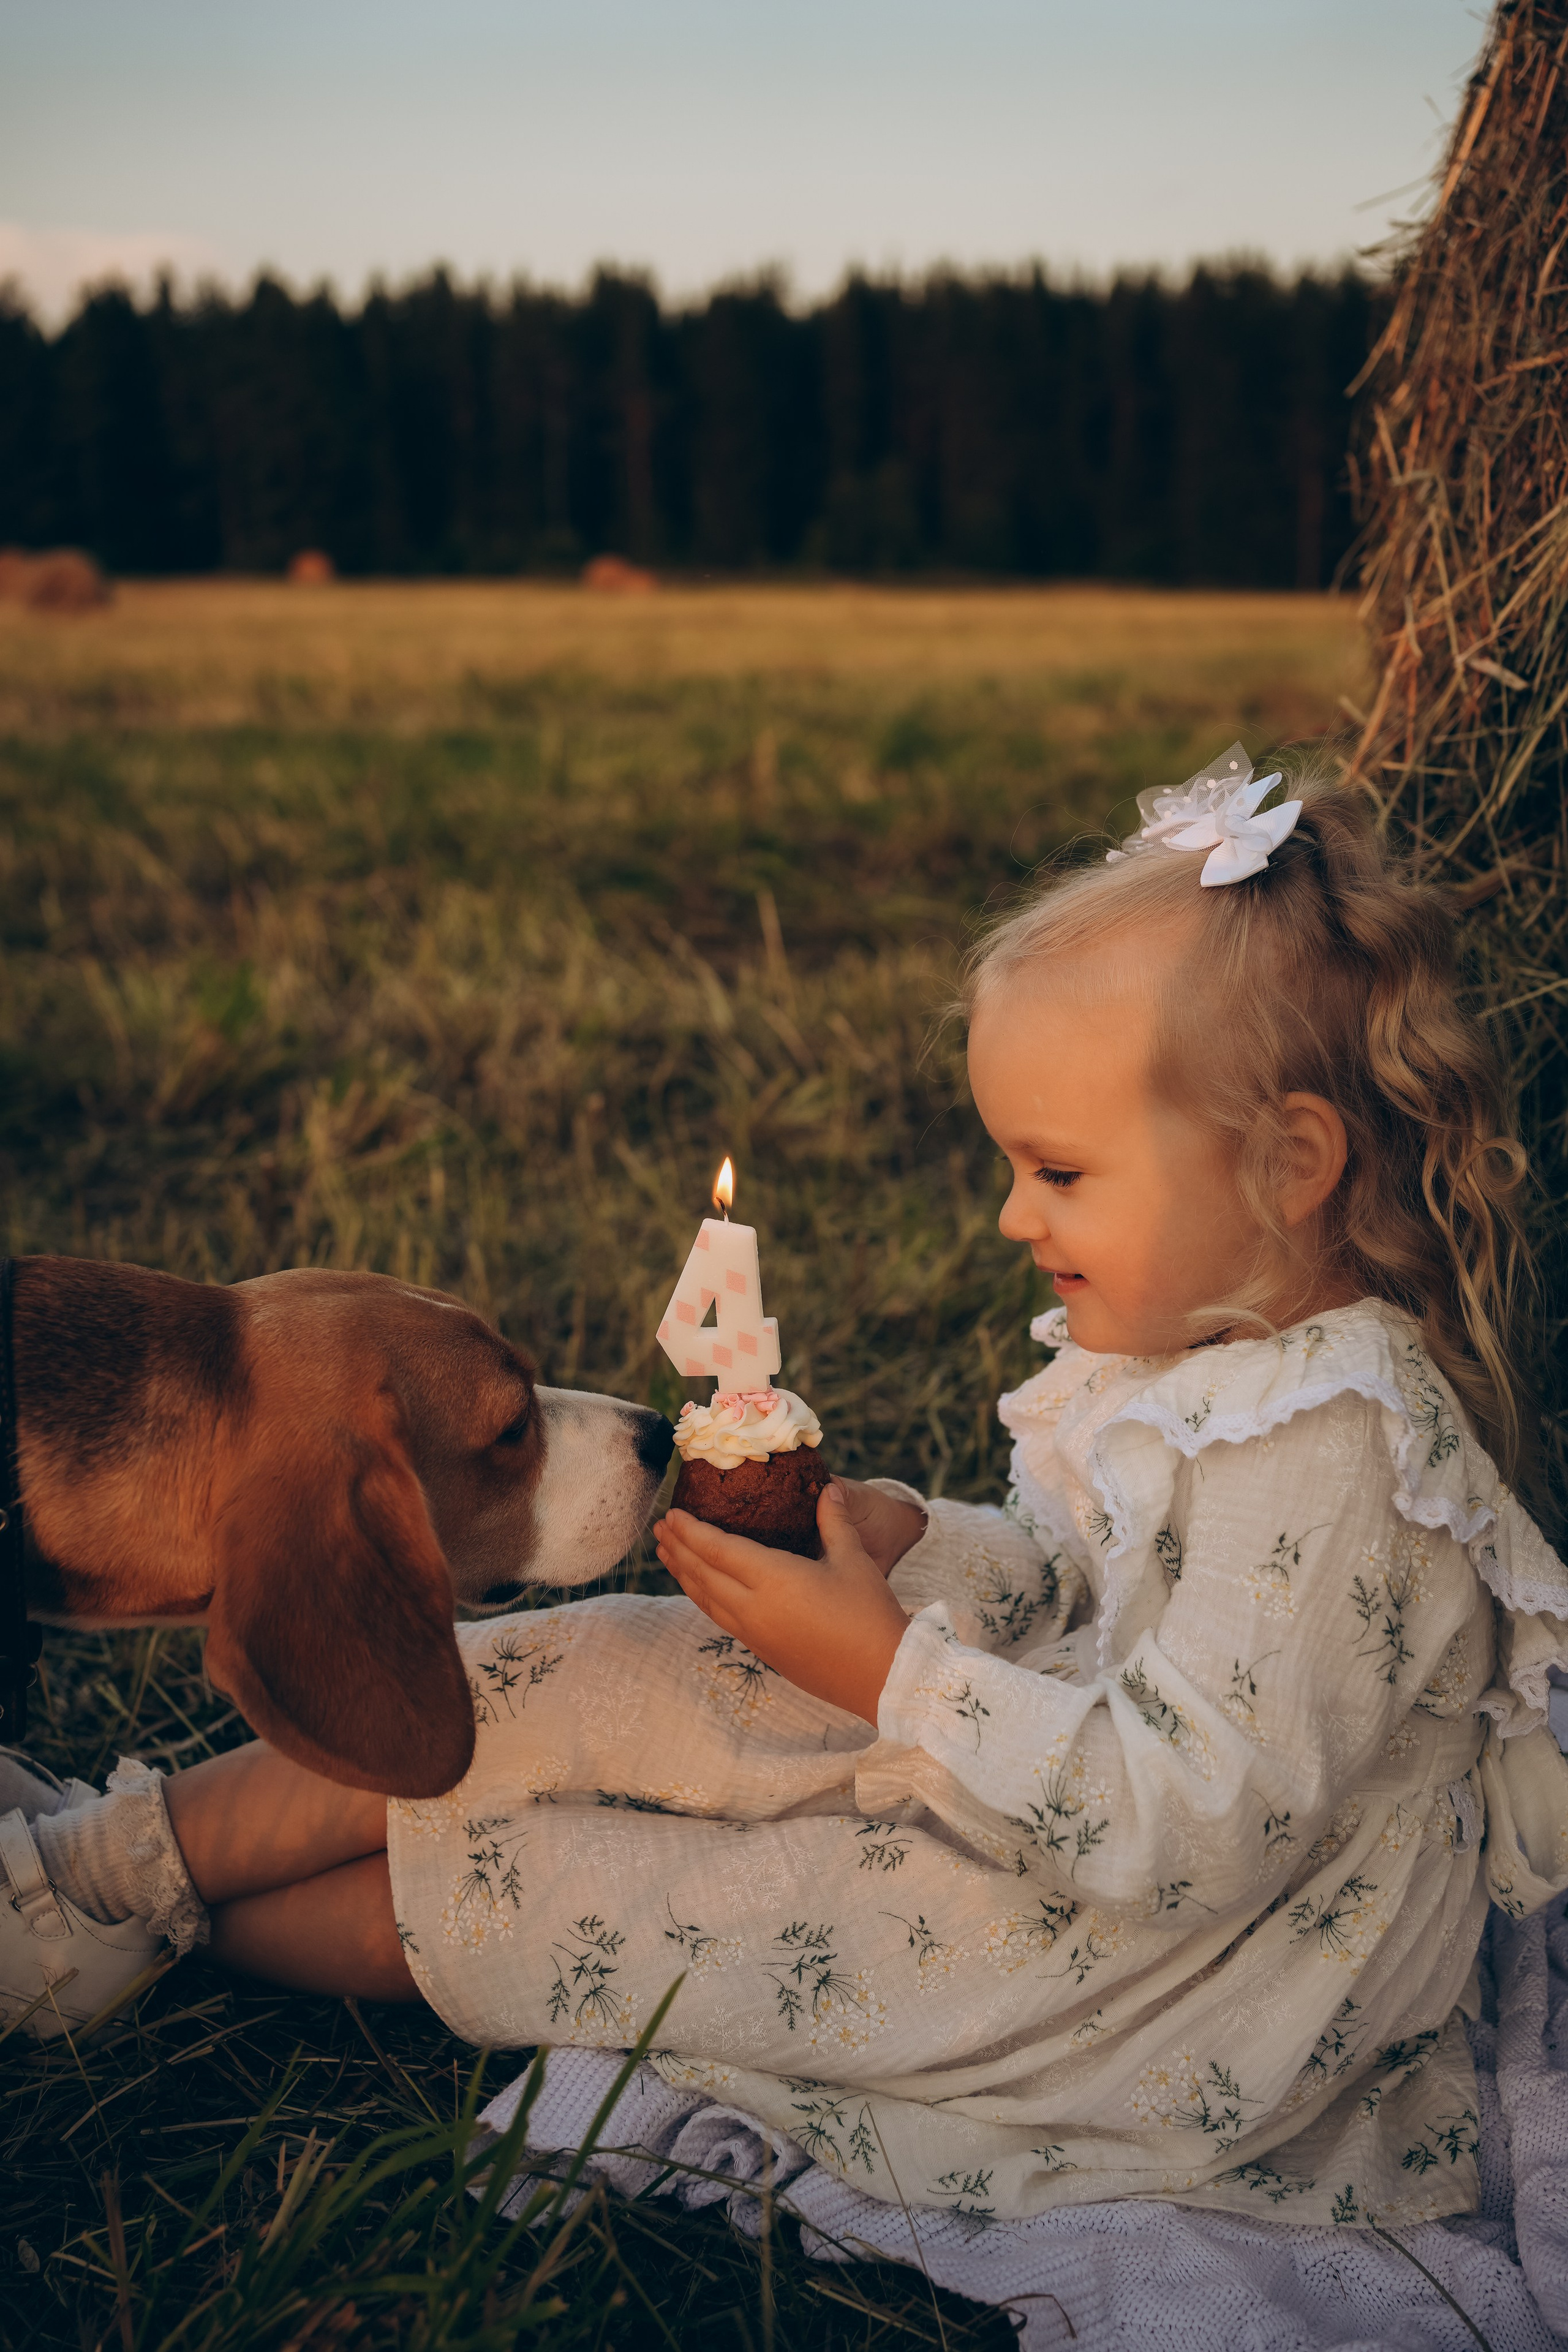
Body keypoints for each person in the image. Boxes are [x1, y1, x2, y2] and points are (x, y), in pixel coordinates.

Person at [6, 745, 1566, 2231]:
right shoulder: (1193, 1352)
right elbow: (1086, 1598)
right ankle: (99, 1862)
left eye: (1061, 1173)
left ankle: (136, 1928)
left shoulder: (1343, 1450)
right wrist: (918, 1548)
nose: (1016, 1217)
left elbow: (1192, 1824)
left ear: (1288, 1167)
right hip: (1028, 1774)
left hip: (1166, 1974)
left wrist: (891, 1672)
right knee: (589, 1665)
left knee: (626, 1893)